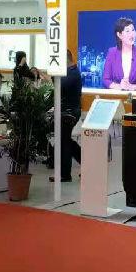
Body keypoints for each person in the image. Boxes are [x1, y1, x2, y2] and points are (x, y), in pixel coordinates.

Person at [51, 50, 83, 183]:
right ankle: (86, 163)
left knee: (64, 141)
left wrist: (53, 75)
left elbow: (60, 86)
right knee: (65, 140)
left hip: (70, 112)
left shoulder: (73, 73)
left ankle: (65, 174)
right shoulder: (70, 72)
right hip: (67, 111)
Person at [101, 17, 136, 91]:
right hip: (116, 96)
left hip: (135, 97)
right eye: (127, 31)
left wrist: (131, 87)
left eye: (133, 30)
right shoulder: (112, 53)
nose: (132, 34)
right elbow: (106, 80)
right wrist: (120, 86)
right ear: (119, 35)